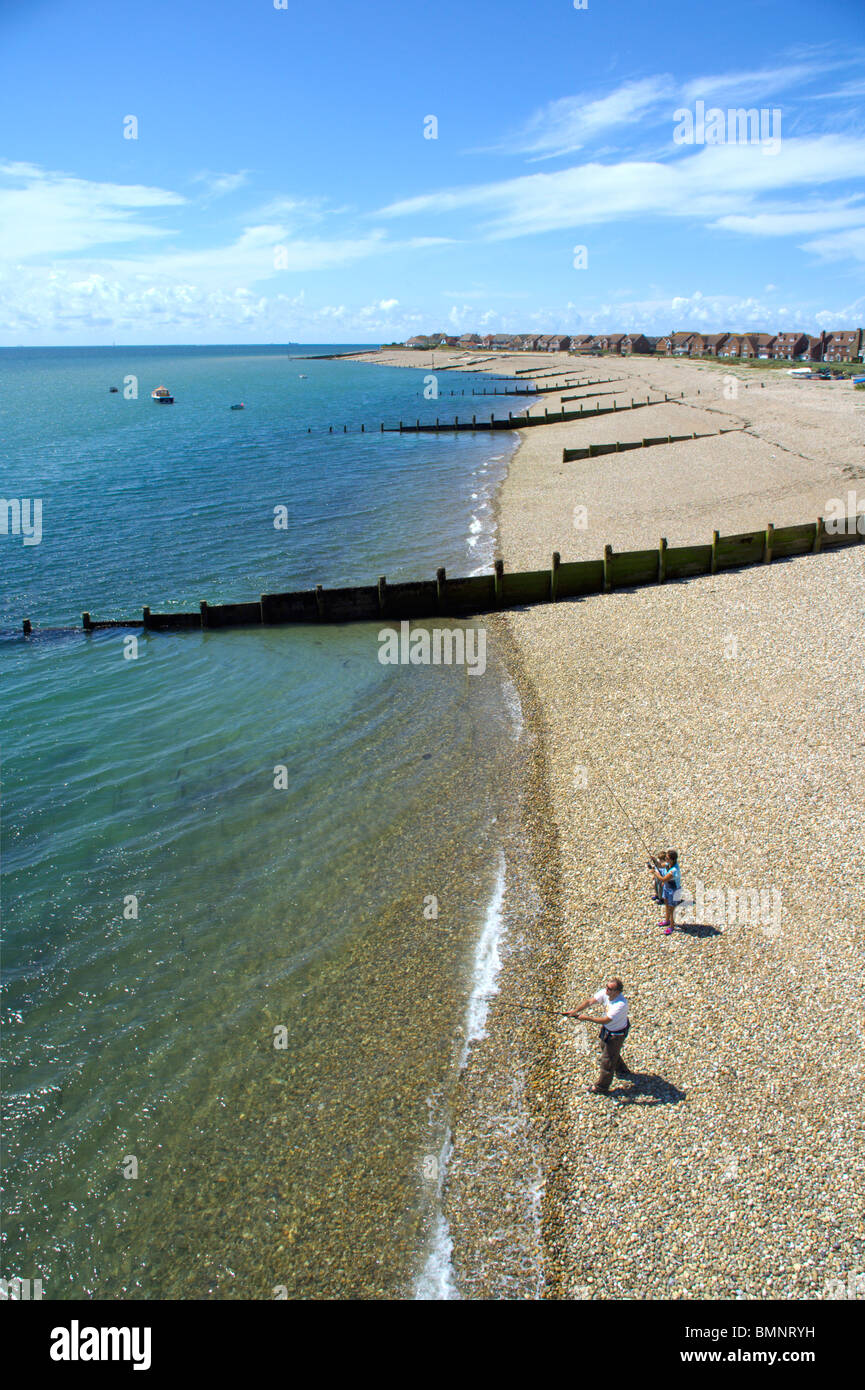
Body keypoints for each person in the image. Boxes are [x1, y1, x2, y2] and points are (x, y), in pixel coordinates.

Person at [565, 977, 631, 1094]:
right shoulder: (605, 993)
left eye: (609, 989)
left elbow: (605, 1020)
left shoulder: (620, 1004)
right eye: (606, 986)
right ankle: (622, 1070)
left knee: (607, 1061)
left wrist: (586, 1018)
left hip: (617, 1034)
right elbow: (589, 1002)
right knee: (604, 1047)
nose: (606, 990)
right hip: (608, 1031)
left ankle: (601, 1088)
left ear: (617, 992)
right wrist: (575, 1011)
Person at [653, 849, 682, 935]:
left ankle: (672, 926)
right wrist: (654, 860)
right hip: (666, 887)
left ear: (672, 859)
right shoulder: (668, 864)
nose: (666, 859)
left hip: (673, 890)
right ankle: (667, 920)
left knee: (672, 909)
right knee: (666, 905)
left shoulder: (674, 870)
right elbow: (660, 865)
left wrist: (655, 873)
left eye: (667, 858)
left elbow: (663, 879)